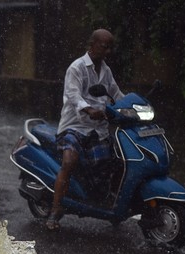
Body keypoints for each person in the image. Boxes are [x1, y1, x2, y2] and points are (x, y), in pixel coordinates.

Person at [46, 29, 125, 231]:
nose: (107, 51)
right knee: (69, 160)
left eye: (110, 47)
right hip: (74, 126)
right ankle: (55, 209)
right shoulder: (77, 68)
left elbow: (116, 94)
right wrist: (88, 109)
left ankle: (111, 204)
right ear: (92, 45)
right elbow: (73, 96)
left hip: (98, 129)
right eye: (103, 46)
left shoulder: (106, 71)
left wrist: (135, 106)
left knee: (120, 161)